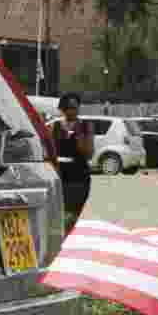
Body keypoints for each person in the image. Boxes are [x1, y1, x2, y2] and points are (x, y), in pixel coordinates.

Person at [51, 93, 93, 234]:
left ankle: (71, 240)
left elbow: (89, 153)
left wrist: (79, 137)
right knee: (61, 213)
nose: (73, 111)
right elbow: (50, 151)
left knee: (74, 213)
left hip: (79, 176)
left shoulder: (85, 126)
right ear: (62, 109)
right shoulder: (56, 126)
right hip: (60, 176)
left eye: (75, 107)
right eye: (69, 107)